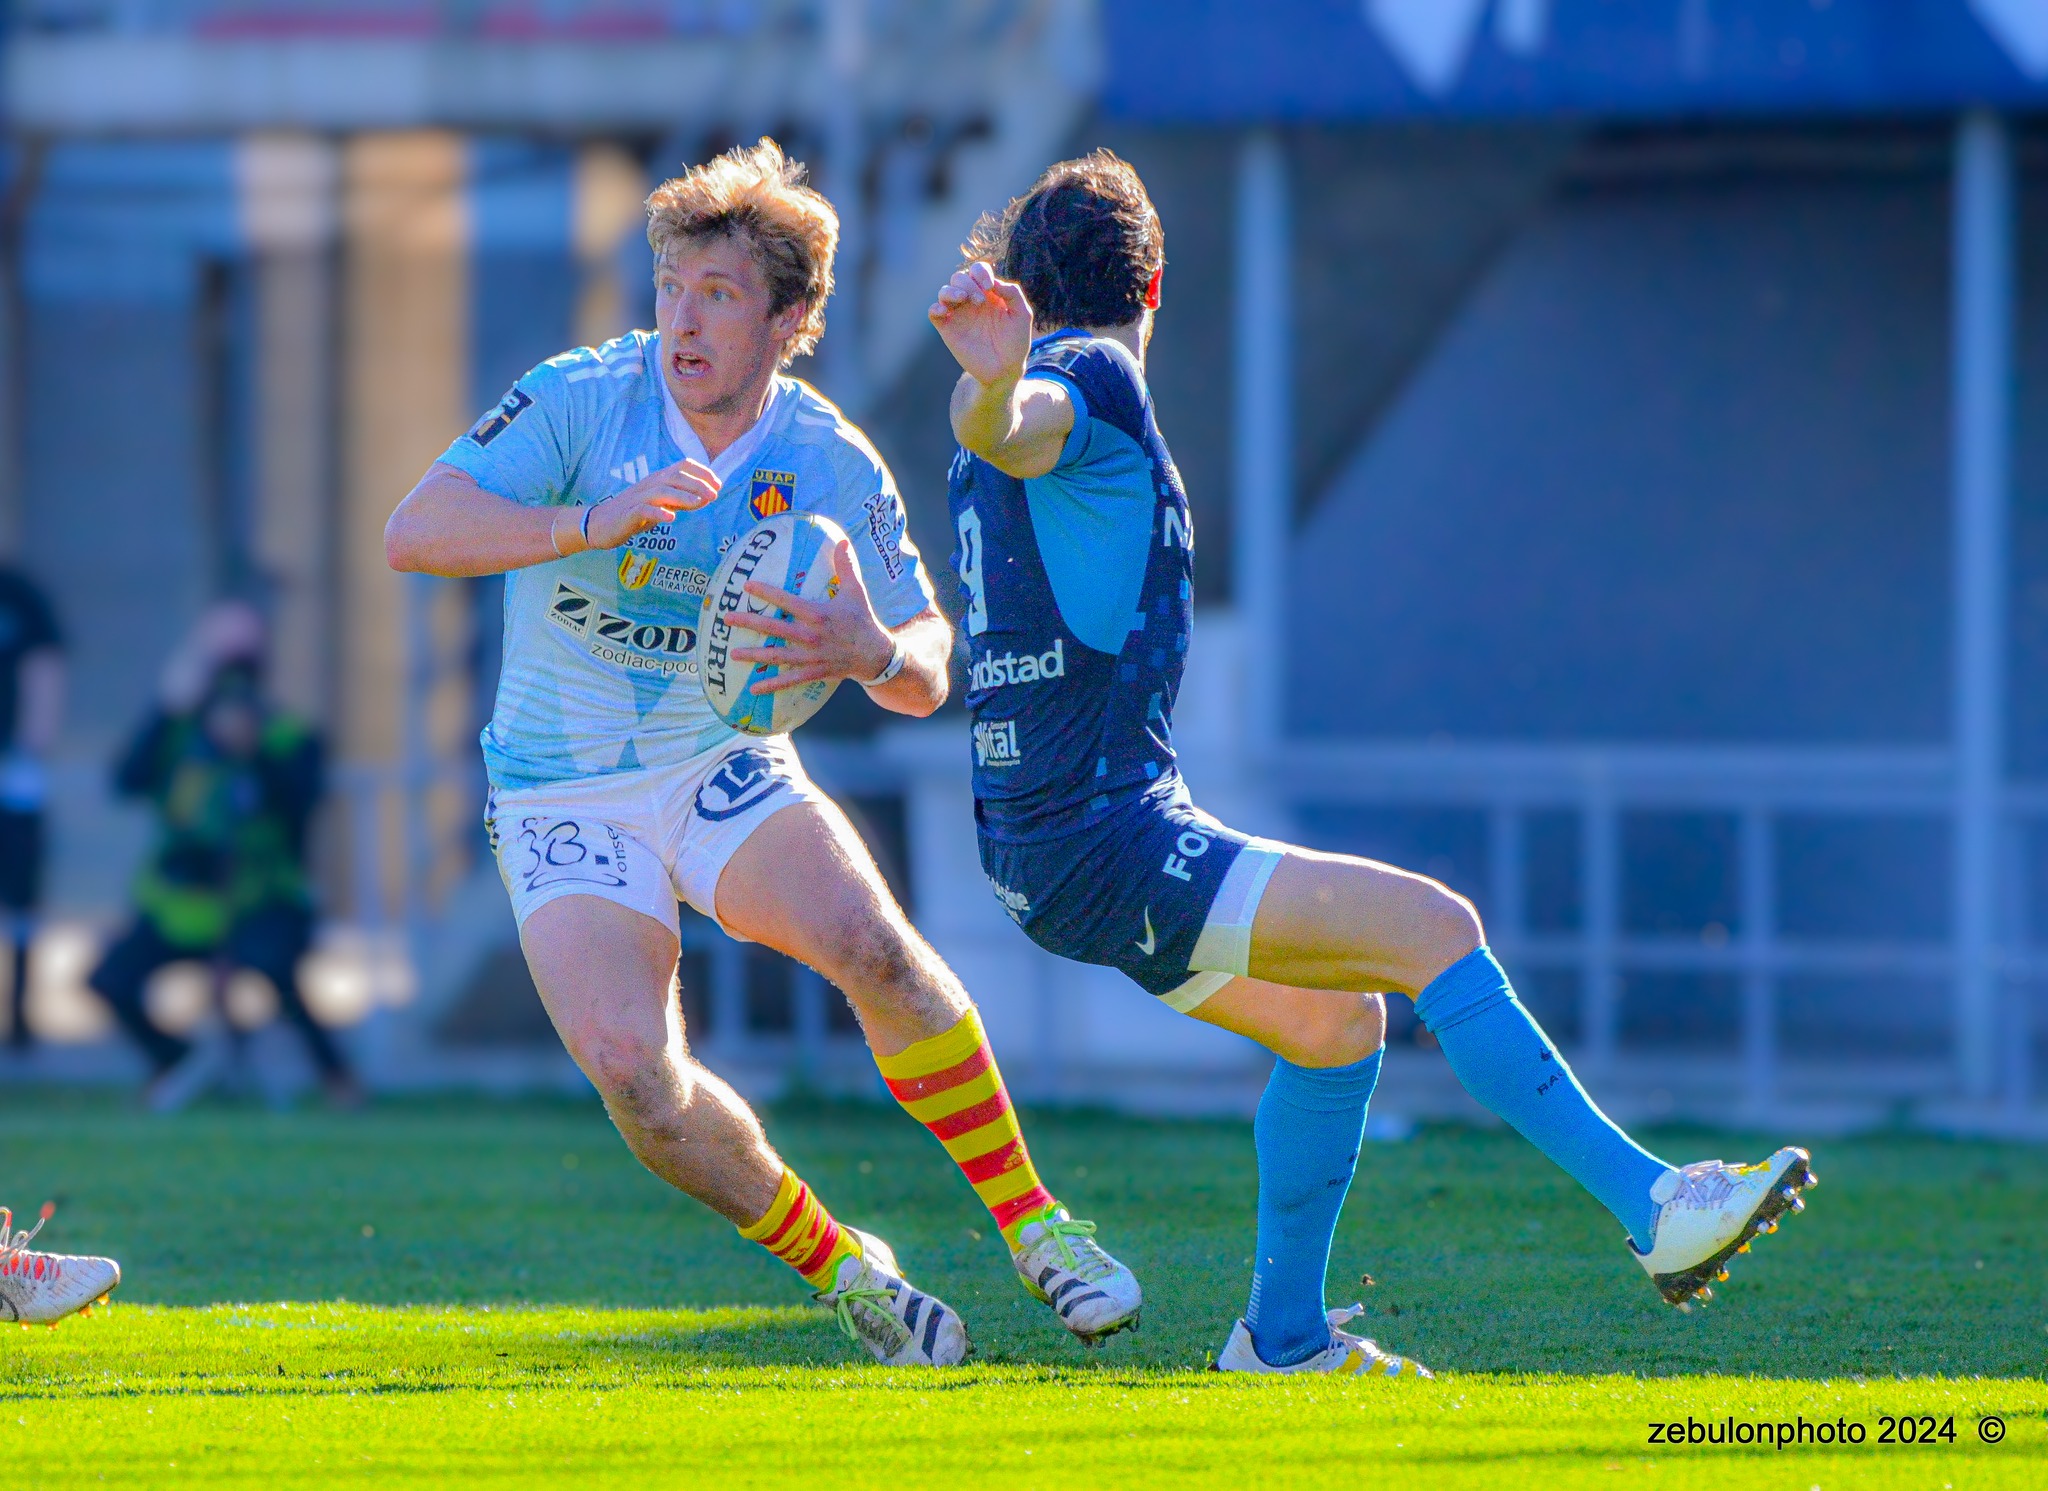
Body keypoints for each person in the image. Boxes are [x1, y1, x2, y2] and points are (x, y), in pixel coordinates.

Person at [929, 151, 1817, 1378]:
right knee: (1434, 929)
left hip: (1035, 852)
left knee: (1337, 1026)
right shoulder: (1091, 370)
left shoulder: (1000, 410)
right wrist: (995, 385)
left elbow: (1001, 430)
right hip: (1102, 834)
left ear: (1024, 276)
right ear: (1156, 278)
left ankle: (1281, 1340)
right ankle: (1654, 1205)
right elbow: (1025, 424)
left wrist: (984, 388)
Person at [384, 139, 1140, 1368]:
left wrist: (862, 647)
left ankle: (1034, 1223)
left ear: (789, 319)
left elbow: (926, 666)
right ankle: (842, 1267)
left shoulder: (828, 459)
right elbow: (415, 533)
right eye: (671, 287)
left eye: (719, 295)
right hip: (557, 786)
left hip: (712, 762)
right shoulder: (583, 398)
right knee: (635, 1073)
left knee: (874, 951)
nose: (681, 319)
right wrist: (592, 519)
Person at [88, 601, 361, 1111]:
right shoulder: (180, 732)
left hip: (261, 898)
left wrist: (252, 753)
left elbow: (301, 807)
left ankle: (337, 1079)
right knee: (109, 979)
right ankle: (180, 1060)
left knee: (276, 969)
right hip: (183, 905)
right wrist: (167, 709)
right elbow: (126, 780)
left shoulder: (288, 737)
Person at [0, 564, 64, 1053]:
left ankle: (20, 1017)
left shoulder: (19, 594)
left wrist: (32, 742)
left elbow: (46, 666)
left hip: (12, 773)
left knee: (21, 898)